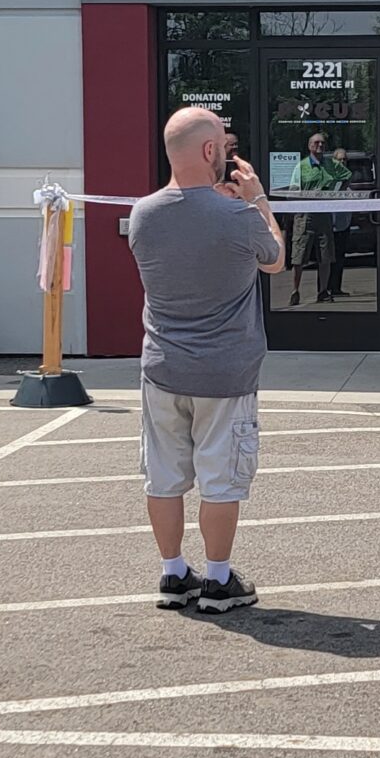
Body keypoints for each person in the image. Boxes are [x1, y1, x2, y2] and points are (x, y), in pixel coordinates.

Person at [130, 105, 285, 614]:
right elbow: (276, 259)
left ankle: (173, 573)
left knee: (164, 476)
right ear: (209, 151)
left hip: (163, 367)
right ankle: (219, 580)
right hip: (225, 370)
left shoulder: (143, 214)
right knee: (220, 479)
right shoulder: (237, 215)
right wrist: (257, 197)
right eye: (222, 143)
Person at [287, 132, 351, 305]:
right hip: (305, 214)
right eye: (316, 143)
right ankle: (295, 290)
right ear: (309, 146)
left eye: (322, 143)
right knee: (299, 255)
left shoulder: (331, 164)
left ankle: (323, 291)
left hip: (324, 213)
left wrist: (336, 193)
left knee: (326, 254)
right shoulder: (301, 166)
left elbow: (347, 176)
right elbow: (293, 190)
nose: (320, 146)